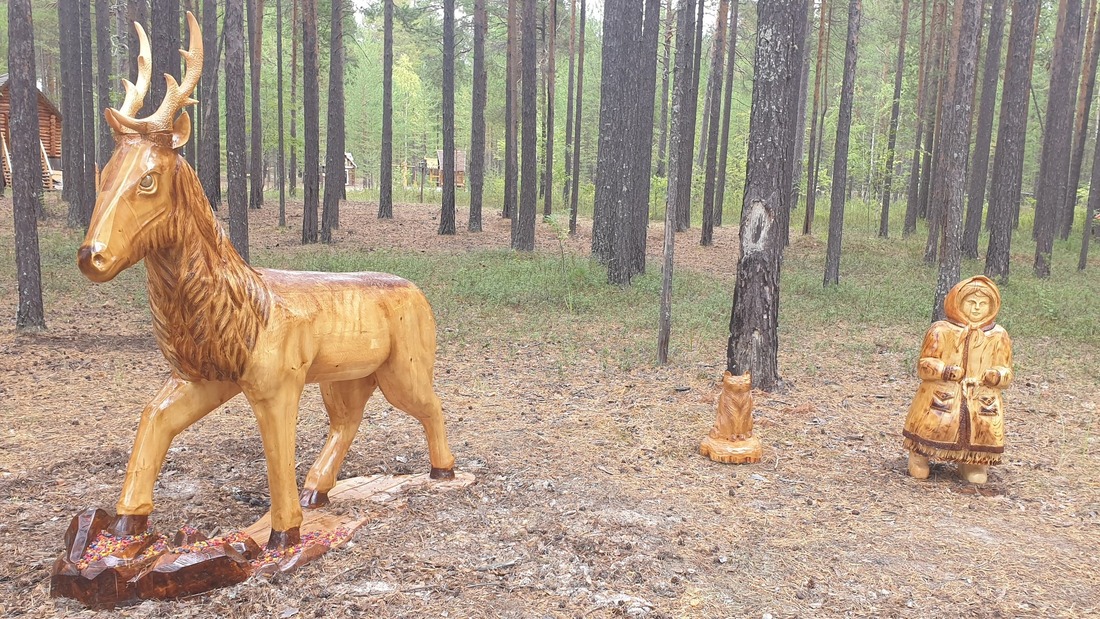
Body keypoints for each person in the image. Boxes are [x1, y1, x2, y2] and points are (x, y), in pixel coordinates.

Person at [903, 276, 1013, 483]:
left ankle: (972, 462)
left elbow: (1006, 370)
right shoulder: (941, 330)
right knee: (933, 423)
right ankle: (919, 456)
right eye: (971, 302)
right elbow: (925, 363)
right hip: (943, 392)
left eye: (983, 304)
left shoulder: (998, 335)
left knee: (982, 428)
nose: (977, 308)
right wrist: (944, 371)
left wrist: (996, 375)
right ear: (958, 303)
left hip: (980, 395)